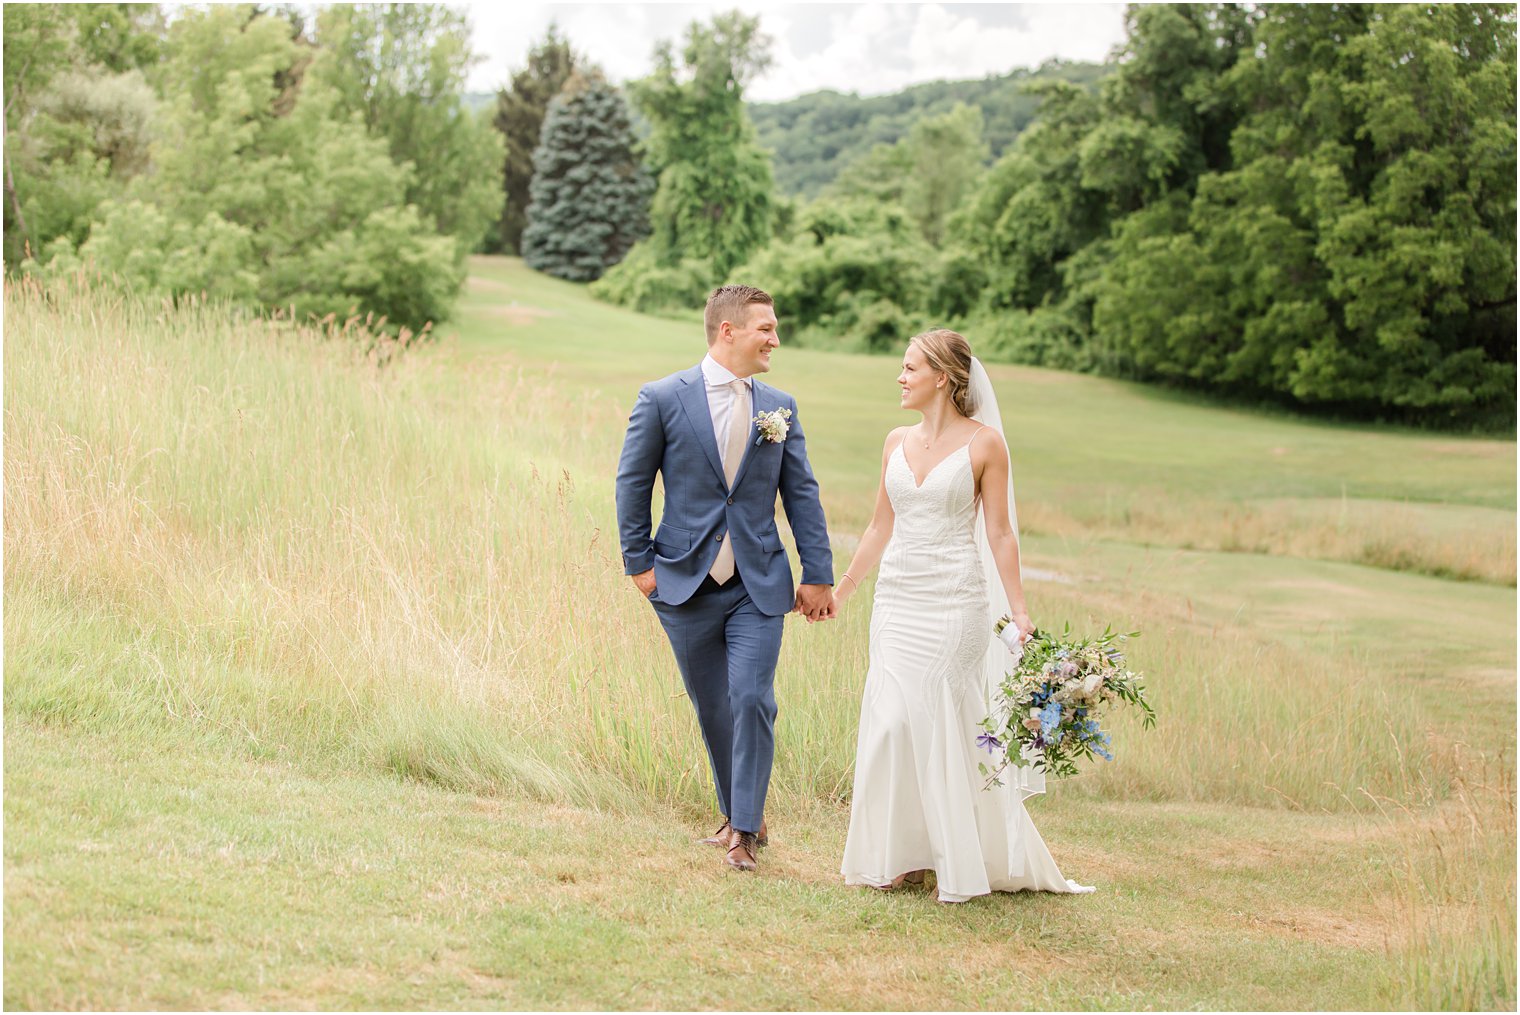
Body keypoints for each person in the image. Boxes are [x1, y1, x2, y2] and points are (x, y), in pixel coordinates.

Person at [833, 329, 1093, 902]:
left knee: (938, 723)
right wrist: (844, 591)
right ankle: (900, 856)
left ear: (943, 378)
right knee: (891, 723)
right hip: (897, 602)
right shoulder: (893, 441)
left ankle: (957, 859)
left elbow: (999, 532)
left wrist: (1020, 611)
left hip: (955, 604)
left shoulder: (985, 445)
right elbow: (880, 525)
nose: (899, 378)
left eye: (909, 369)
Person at [615, 284, 835, 872]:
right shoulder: (662, 398)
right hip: (681, 582)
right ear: (728, 331)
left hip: (759, 583)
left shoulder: (780, 406)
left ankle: (743, 831)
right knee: (713, 704)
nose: (776, 339)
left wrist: (818, 573)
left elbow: (802, 494)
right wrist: (639, 565)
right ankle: (743, 811)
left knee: (752, 698)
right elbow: (632, 483)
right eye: (766, 327)